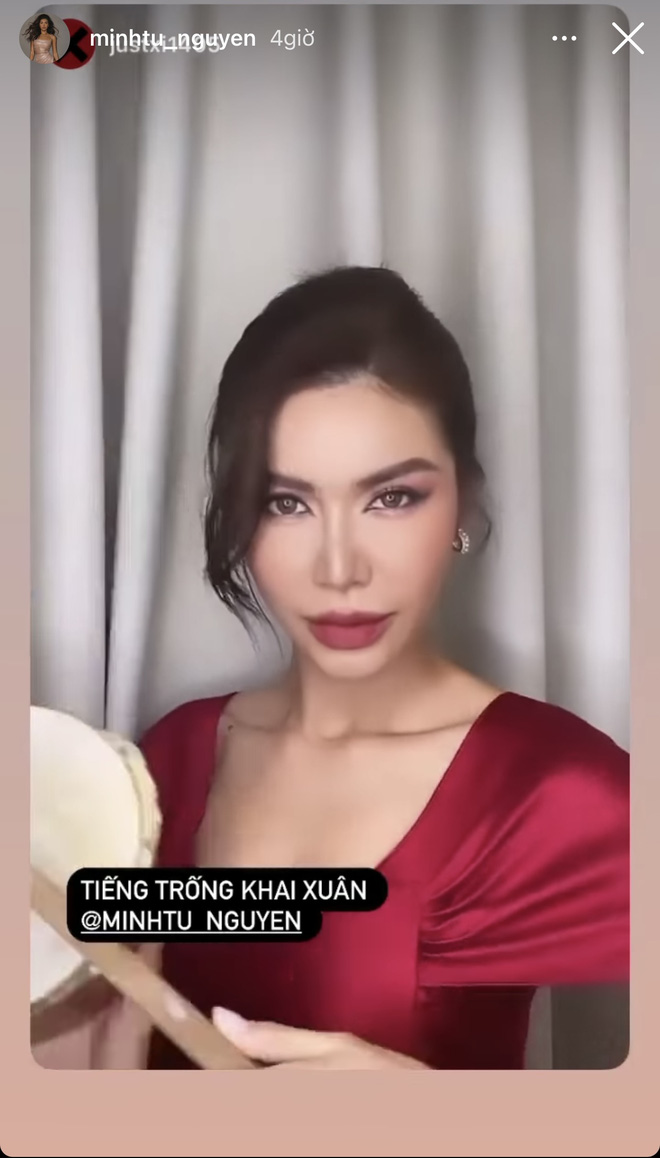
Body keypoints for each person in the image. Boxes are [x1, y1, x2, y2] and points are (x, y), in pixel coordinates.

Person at [32, 266, 629, 1071]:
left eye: (392, 498)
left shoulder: (560, 789)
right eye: (286, 503)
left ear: (464, 502)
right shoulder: (166, 762)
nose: (339, 567)